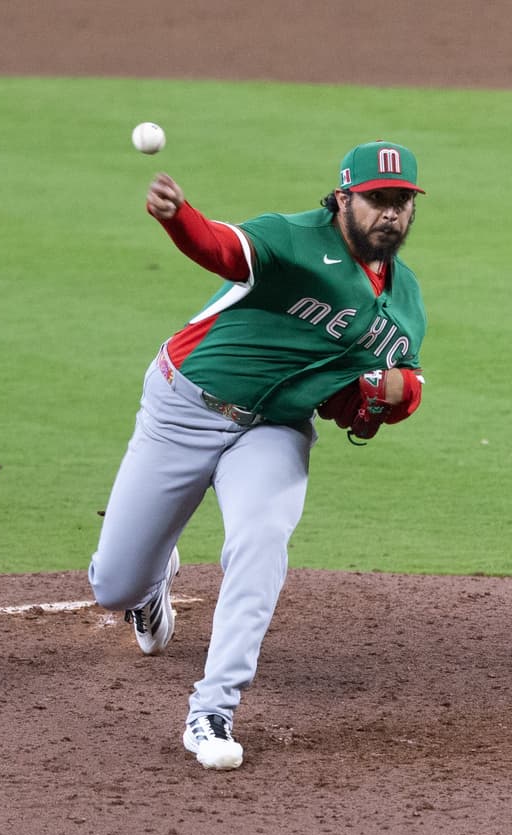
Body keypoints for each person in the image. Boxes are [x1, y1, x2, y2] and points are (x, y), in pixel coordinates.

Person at [88, 140, 429, 770]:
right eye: (378, 199)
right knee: (113, 585)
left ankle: (212, 710)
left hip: (272, 430)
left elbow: (367, 404)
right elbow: (221, 247)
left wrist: (388, 399)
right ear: (345, 198)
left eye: (402, 202)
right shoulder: (293, 239)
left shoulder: (406, 303)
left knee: (261, 539)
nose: (390, 213)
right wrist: (178, 218)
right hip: (184, 405)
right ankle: (151, 583)